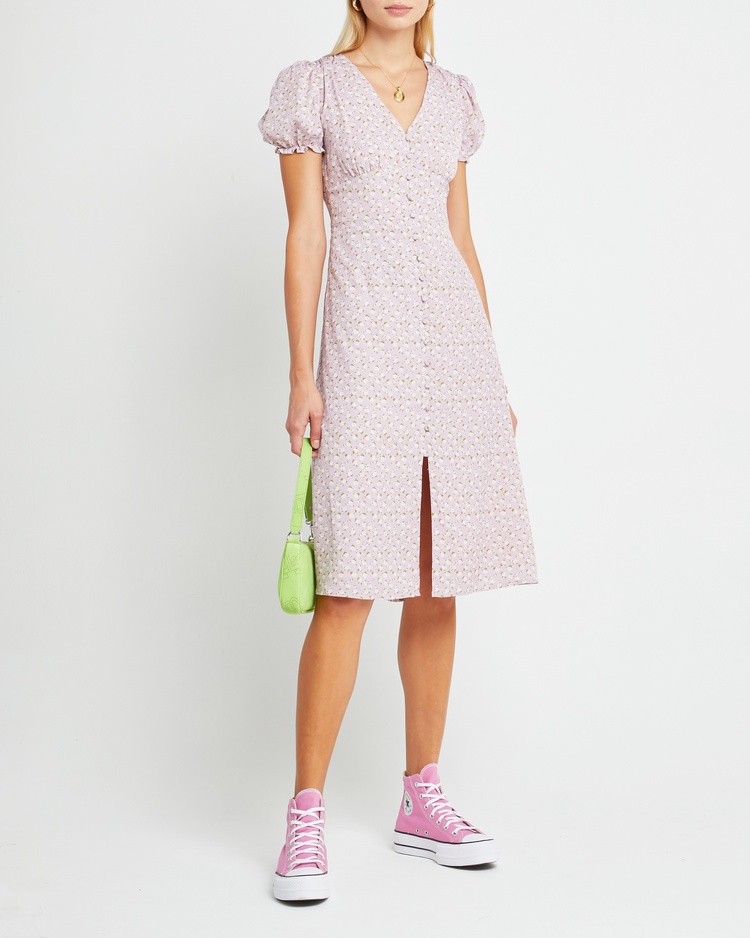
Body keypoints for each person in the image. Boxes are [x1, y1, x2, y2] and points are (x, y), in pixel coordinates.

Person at [258, 0, 538, 902]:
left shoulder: (455, 96)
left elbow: (462, 241)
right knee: (346, 588)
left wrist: (491, 376)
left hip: (455, 360)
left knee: (436, 578)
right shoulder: (313, 91)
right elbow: (307, 234)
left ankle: (423, 798)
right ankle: (306, 812)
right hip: (363, 351)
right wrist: (302, 374)